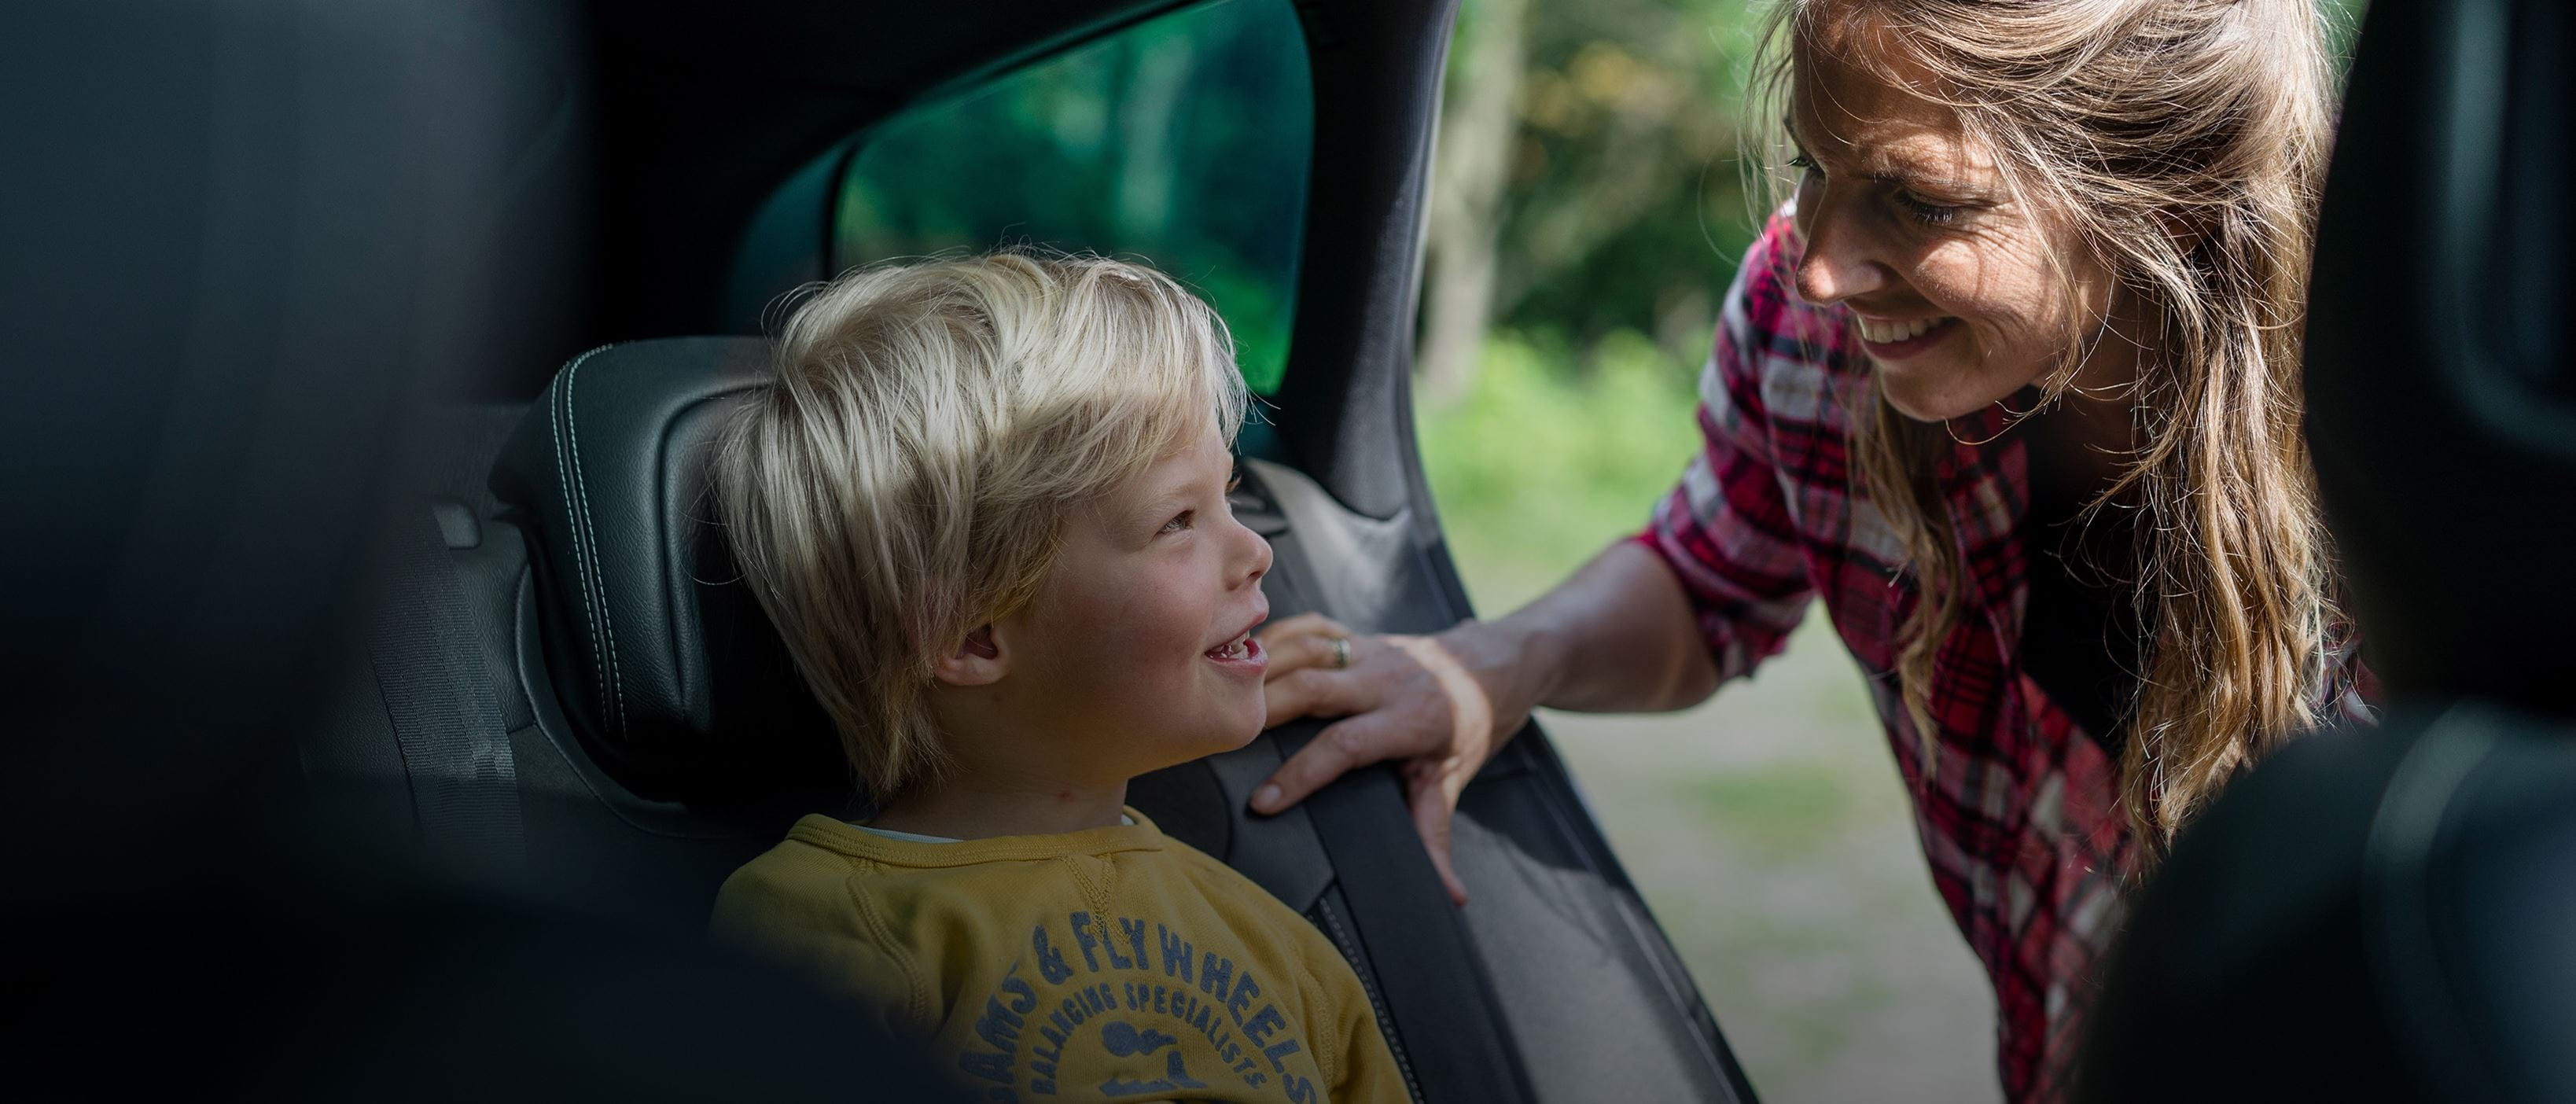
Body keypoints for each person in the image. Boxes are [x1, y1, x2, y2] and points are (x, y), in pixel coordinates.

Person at [1246, 2, 2373, 1100]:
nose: (1822, 268)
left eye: (1919, 200)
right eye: (1813, 167)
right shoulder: (1815, 337)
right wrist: (1496, 666)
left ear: (2170, 189)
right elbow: (1709, 575)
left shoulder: (2396, 472)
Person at [705, 253, 1407, 1104]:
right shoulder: (824, 926)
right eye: (1178, 520)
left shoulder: (1284, 952)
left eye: (1229, 498)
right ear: (969, 632)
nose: (1256, 551)